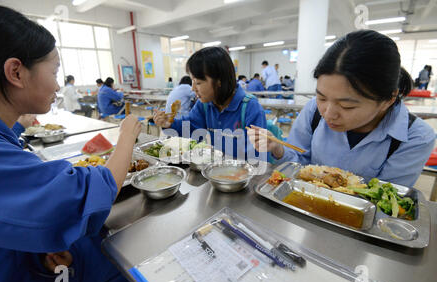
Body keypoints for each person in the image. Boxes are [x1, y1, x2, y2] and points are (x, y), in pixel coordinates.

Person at [0, 5, 143, 282]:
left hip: (25, 263)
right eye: (54, 71)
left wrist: (38, 252)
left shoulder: (1, 135)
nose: (57, 84)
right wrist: (126, 136)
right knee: (128, 267)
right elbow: (91, 190)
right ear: (16, 72)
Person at [249, 30, 434, 187]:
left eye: (347, 105)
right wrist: (278, 150)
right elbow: (299, 163)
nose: (328, 114)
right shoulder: (314, 110)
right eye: (321, 97)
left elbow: (384, 199)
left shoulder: (415, 137)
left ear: (389, 99)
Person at [153, 46, 268, 160]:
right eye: (192, 81)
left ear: (219, 81)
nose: (193, 89)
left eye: (198, 82)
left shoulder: (250, 108)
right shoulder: (204, 104)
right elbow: (191, 127)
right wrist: (170, 124)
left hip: (242, 173)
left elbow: (258, 155)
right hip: (216, 169)